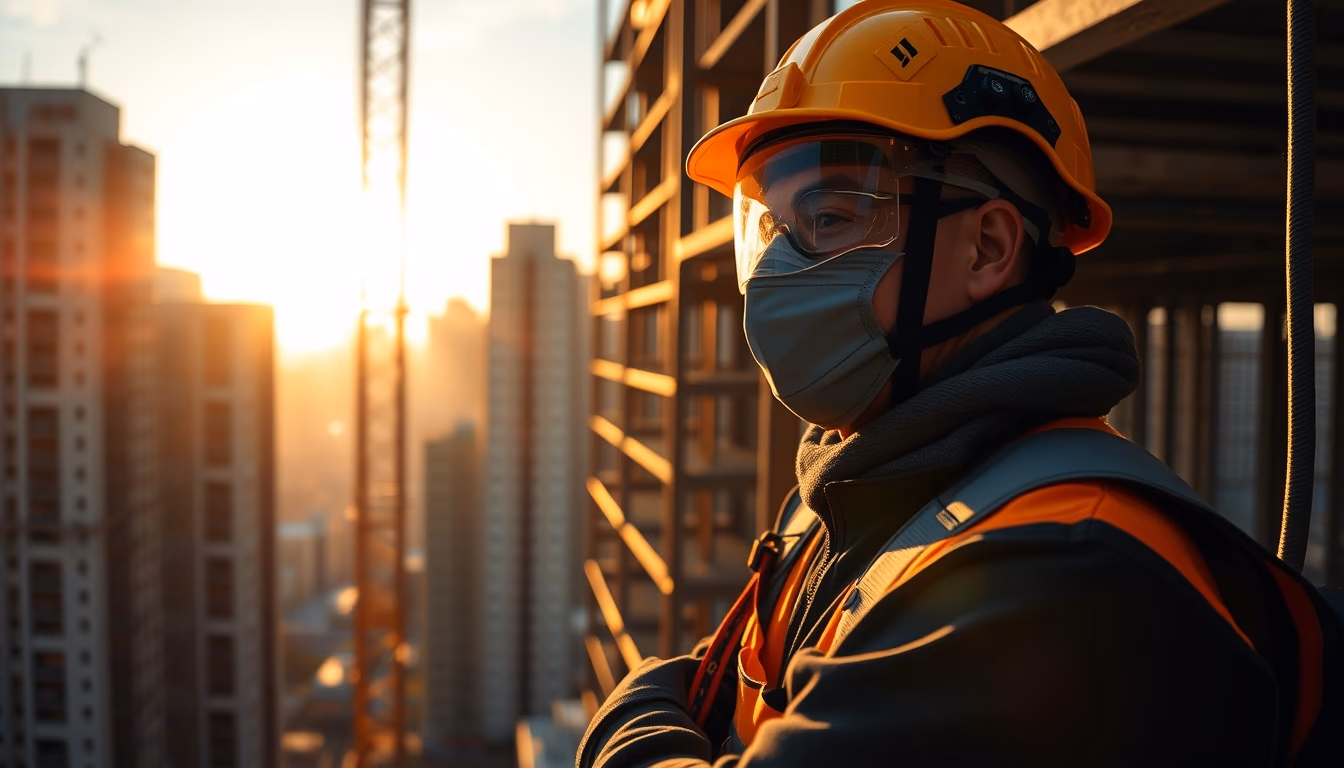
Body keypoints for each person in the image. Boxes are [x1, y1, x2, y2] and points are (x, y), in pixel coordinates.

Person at [577, 1, 1342, 765]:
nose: (778, 271)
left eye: (831, 216)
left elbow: (687, 702)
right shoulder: (842, 493)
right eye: (774, 229)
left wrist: (632, 715)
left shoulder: (1069, 573)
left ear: (988, 247)